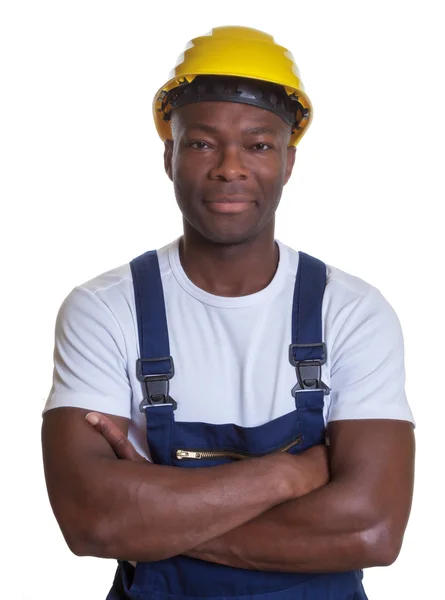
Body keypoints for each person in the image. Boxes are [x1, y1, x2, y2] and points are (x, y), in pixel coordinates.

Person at [42, 25, 415, 600]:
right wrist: (291, 475)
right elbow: (90, 520)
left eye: (259, 144)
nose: (230, 167)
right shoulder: (104, 310)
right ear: (170, 156)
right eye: (201, 143)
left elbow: (373, 529)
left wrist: (153, 511)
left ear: (289, 162)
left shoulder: (351, 311)